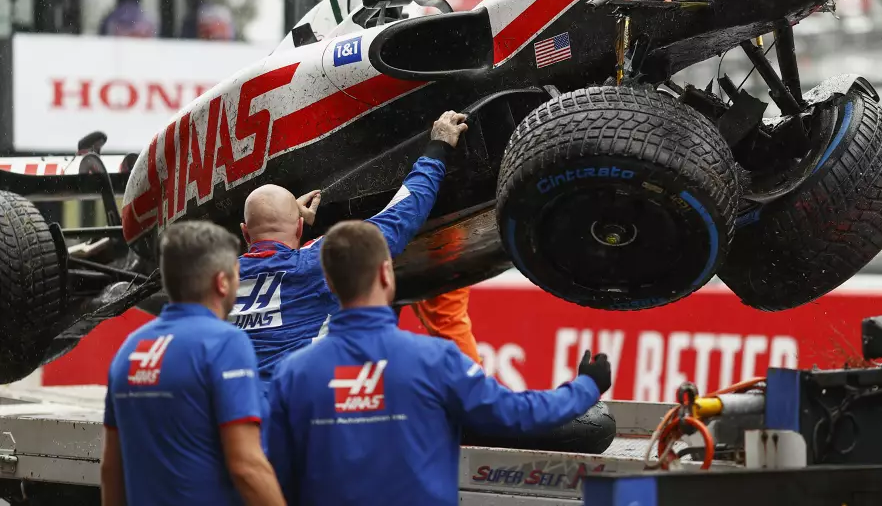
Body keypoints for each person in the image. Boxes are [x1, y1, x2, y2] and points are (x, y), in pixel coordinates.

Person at [265, 219, 612, 506]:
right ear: (387, 274)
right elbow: (515, 414)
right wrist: (586, 387)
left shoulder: (292, 374)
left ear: (327, 282)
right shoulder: (436, 360)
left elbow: (275, 472)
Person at [234, 110, 468, 390]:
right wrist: (437, 148)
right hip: (300, 416)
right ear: (300, 228)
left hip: (238, 421)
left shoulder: (217, 279)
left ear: (245, 232)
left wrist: (279, 216)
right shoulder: (318, 262)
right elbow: (400, 216)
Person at [100, 220, 285, 506]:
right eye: (236, 276)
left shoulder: (130, 350)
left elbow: (111, 469)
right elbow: (246, 467)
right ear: (222, 282)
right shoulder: (224, 342)